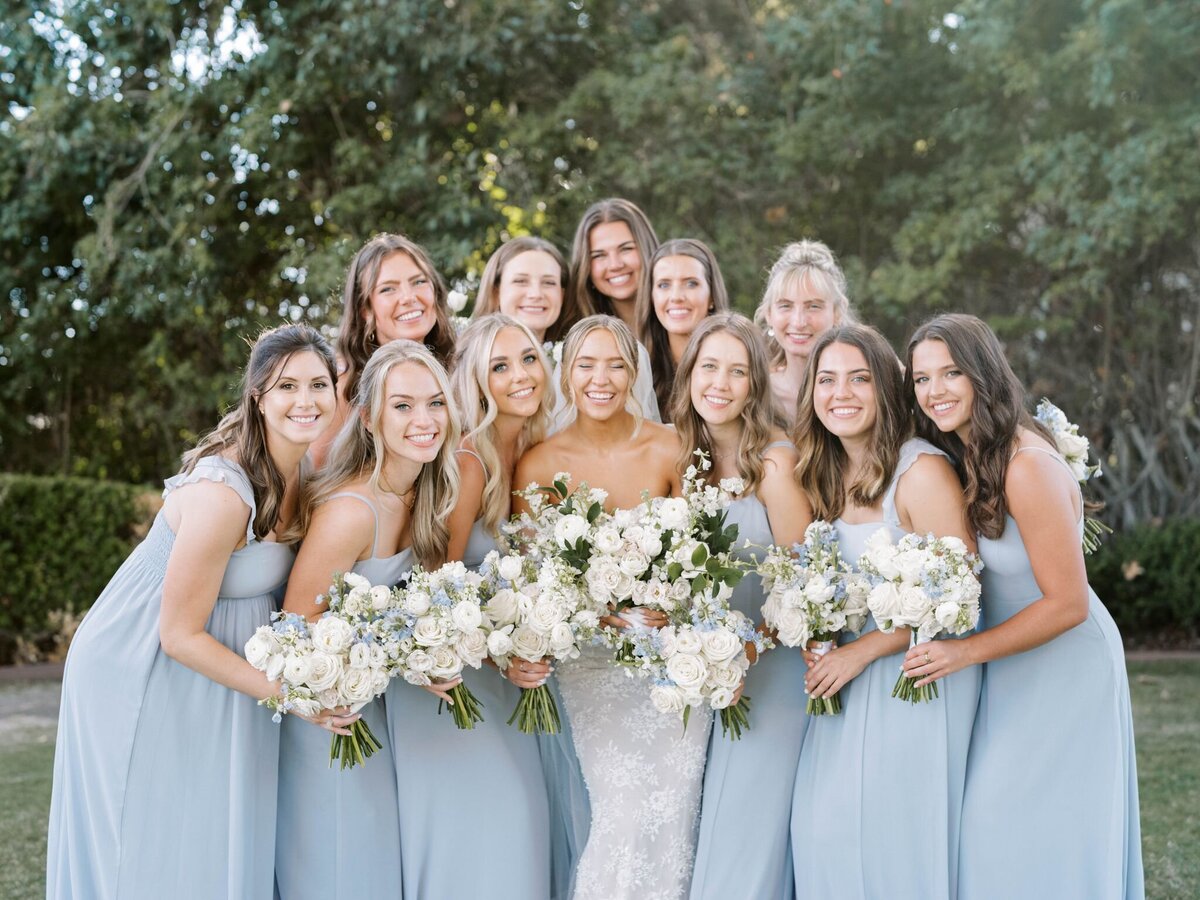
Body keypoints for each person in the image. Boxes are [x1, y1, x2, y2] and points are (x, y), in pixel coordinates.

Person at [47, 324, 350, 899]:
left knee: (211, 832)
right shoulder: (223, 492)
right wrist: (293, 692)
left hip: (220, 662)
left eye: (318, 384)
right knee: (151, 836)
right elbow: (178, 633)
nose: (305, 400)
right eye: (287, 386)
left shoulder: (306, 475)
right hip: (140, 664)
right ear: (258, 396)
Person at [905, 314, 1144, 900]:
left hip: (1065, 667)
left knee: (1030, 831)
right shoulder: (968, 454)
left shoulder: (1027, 464)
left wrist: (963, 652)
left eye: (951, 373)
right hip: (1011, 666)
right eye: (921, 379)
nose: (934, 391)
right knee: (1000, 834)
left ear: (983, 374)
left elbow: (1068, 604)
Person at [513, 315, 706, 900]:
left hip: (675, 666)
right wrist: (602, 616)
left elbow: (700, 562)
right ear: (566, 374)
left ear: (634, 372)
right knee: (621, 811)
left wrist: (670, 605)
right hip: (593, 668)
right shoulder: (540, 465)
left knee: (675, 813)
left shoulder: (671, 447)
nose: (601, 379)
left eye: (615, 364)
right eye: (586, 364)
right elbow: (533, 587)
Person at [790, 324, 981, 900]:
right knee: (824, 834)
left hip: (914, 682)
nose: (840, 393)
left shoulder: (920, 472)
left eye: (859, 379)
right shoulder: (826, 471)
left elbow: (961, 593)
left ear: (886, 390)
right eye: (826, 380)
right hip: (849, 681)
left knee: (888, 843)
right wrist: (815, 625)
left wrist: (864, 649)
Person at [275, 339, 455, 898]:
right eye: (402, 405)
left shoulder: (422, 493)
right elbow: (294, 628)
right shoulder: (351, 512)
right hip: (328, 720)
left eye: (435, 403)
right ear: (371, 417)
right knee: (342, 865)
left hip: (369, 715)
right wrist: (386, 655)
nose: (423, 420)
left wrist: (422, 656)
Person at [675, 315, 813, 900]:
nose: (720, 384)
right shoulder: (680, 459)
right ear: (689, 376)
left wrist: (746, 649)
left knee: (745, 838)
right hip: (700, 679)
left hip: (772, 675)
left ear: (755, 385)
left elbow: (804, 581)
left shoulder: (776, 465)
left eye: (737, 371)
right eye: (709, 367)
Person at [438, 313, 556, 898]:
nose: (520, 376)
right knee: (508, 820)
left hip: (525, 673)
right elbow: (441, 586)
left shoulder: (541, 451)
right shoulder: (467, 462)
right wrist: (498, 658)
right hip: (467, 677)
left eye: (528, 358)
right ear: (479, 382)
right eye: (500, 366)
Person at [311, 233, 457, 465]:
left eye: (419, 282)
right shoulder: (341, 384)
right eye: (388, 289)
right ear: (365, 309)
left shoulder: (456, 367)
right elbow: (311, 475)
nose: (409, 297)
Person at [565, 198, 662, 424]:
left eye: (626, 249)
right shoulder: (575, 337)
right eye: (599, 255)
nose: (615, 264)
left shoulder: (677, 328)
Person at [754, 240, 855, 427]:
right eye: (785, 306)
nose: (799, 322)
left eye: (814, 306)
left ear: (837, 313)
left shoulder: (864, 387)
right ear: (769, 314)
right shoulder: (755, 392)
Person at [638, 238, 731, 415]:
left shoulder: (739, 365)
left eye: (691, 283)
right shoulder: (636, 371)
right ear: (651, 297)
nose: (676, 296)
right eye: (664, 285)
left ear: (712, 296)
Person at [470, 235, 570, 343]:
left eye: (548, 282)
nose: (536, 294)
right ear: (496, 292)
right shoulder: (463, 358)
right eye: (521, 281)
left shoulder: (576, 357)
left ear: (562, 294)